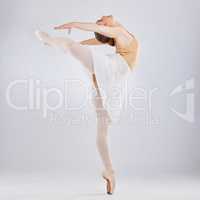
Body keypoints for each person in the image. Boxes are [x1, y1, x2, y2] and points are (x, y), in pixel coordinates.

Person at [35, 15, 139, 195]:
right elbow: (96, 37)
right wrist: (77, 36)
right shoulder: (120, 34)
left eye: (99, 21)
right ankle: (110, 172)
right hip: (112, 76)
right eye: (100, 21)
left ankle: (52, 42)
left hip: (111, 75)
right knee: (102, 131)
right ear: (107, 25)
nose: (101, 19)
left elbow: (100, 33)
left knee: (70, 45)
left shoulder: (119, 34)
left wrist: (75, 26)